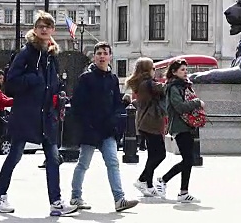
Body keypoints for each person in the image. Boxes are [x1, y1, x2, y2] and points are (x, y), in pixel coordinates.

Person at [0, 11, 77, 216]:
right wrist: (34, 79)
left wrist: (59, 92)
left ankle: (56, 202)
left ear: (53, 30)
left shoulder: (52, 55)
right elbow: (11, 82)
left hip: (46, 115)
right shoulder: (26, 53)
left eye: (48, 26)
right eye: (40, 26)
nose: (44, 29)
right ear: (35, 29)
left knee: (53, 158)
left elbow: (53, 83)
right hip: (26, 114)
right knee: (15, 155)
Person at [69, 42, 139, 212]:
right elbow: (77, 104)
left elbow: (117, 102)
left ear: (110, 57)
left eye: (105, 53)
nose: (102, 56)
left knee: (113, 162)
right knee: (83, 164)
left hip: (107, 129)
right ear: (94, 56)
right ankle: (75, 197)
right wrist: (87, 124)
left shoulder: (113, 78)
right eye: (99, 53)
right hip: (90, 129)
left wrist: (116, 120)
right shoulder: (86, 78)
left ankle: (119, 199)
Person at [154, 58, 203, 203]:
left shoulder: (183, 85)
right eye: (182, 70)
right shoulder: (173, 87)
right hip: (179, 126)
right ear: (174, 72)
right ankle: (163, 180)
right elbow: (179, 106)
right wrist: (197, 103)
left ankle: (184, 192)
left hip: (187, 126)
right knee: (188, 159)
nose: (185, 72)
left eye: (186, 70)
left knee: (188, 160)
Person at [126, 57, 167, 197]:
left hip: (147, 122)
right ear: (147, 70)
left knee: (153, 155)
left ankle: (146, 183)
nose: (155, 71)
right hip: (150, 123)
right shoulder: (147, 84)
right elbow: (164, 89)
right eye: (153, 69)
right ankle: (144, 181)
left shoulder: (142, 84)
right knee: (160, 154)